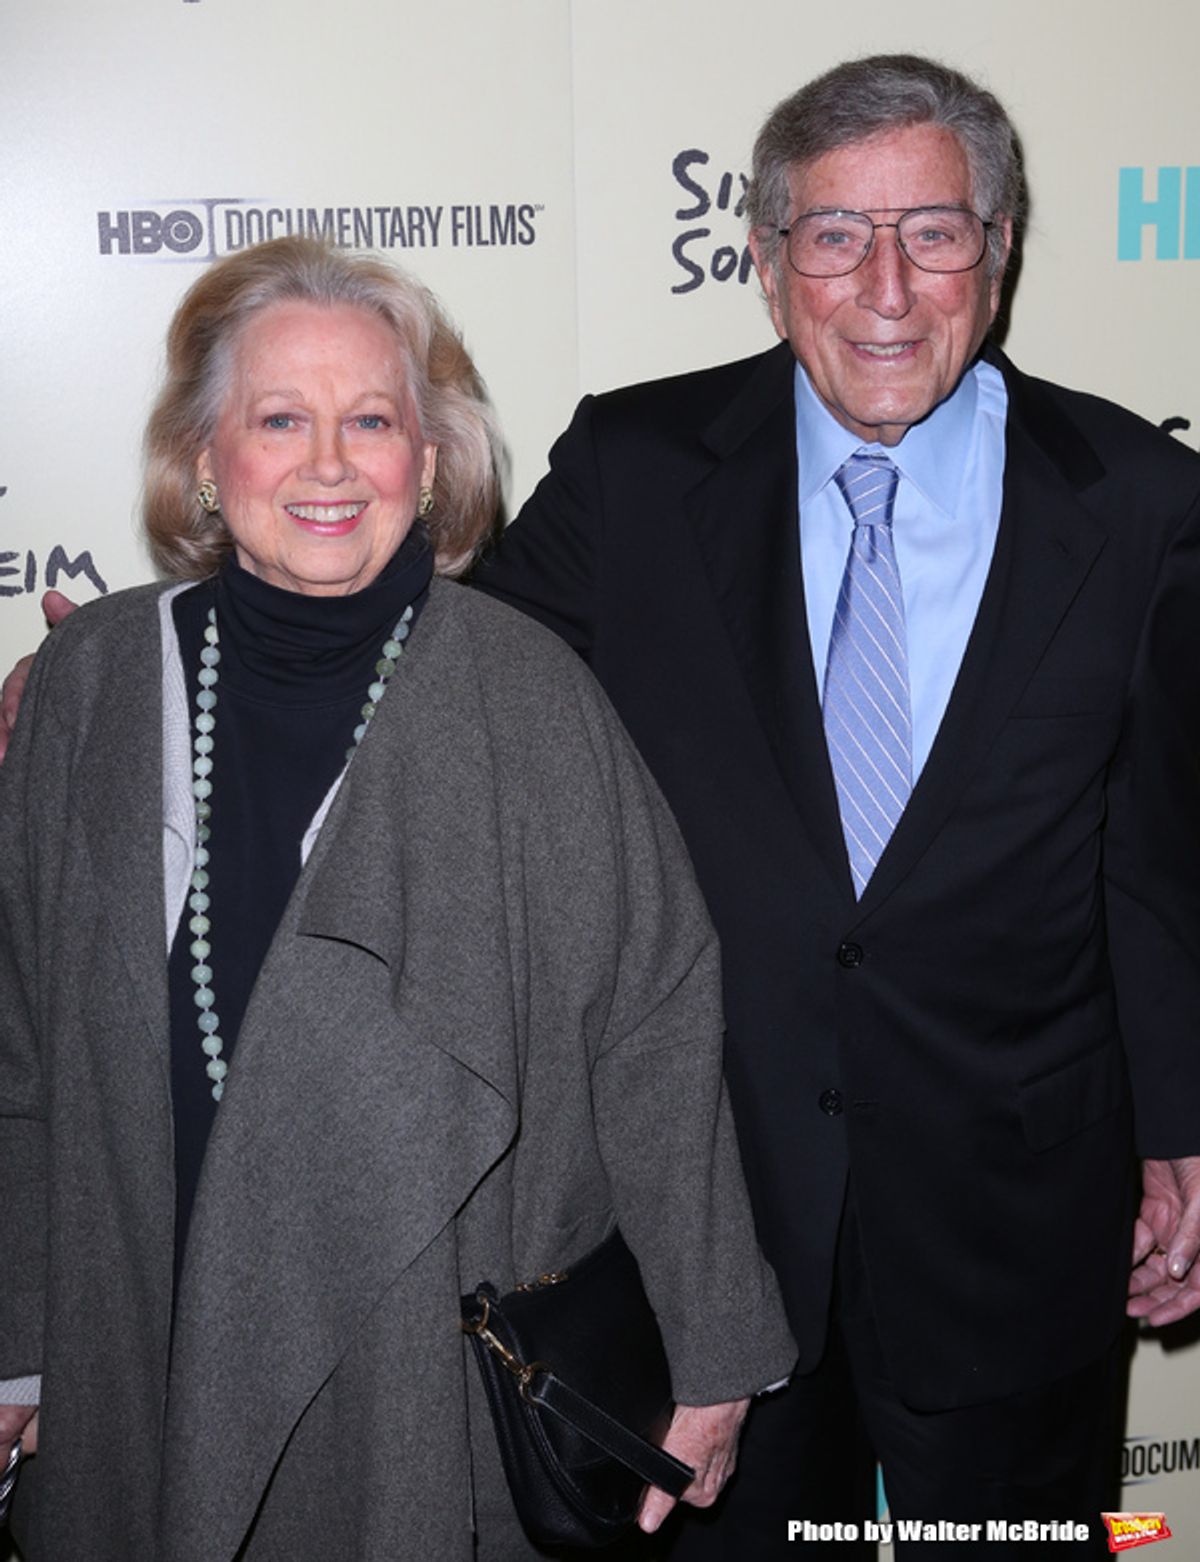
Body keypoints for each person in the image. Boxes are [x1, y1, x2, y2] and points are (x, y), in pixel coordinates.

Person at [470, 54, 1200, 1558]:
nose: (885, 286)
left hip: (1018, 1227)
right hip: (703, 1236)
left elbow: (1154, 852)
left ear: (995, 256)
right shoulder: (638, 468)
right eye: (835, 235)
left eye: (932, 232)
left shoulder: (1135, 495)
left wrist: (1186, 1125)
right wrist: (162, 648)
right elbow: (450, 693)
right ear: (765, 260)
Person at [0, 235, 795, 1561]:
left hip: (418, 1370)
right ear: (204, 455)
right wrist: (15, 1336)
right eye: (279, 418)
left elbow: (656, 1028)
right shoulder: (91, 683)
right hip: (135, 1337)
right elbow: (15, 1042)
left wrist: (714, 1350)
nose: (327, 462)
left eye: (371, 419)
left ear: (428, 462)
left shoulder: (532, 698)